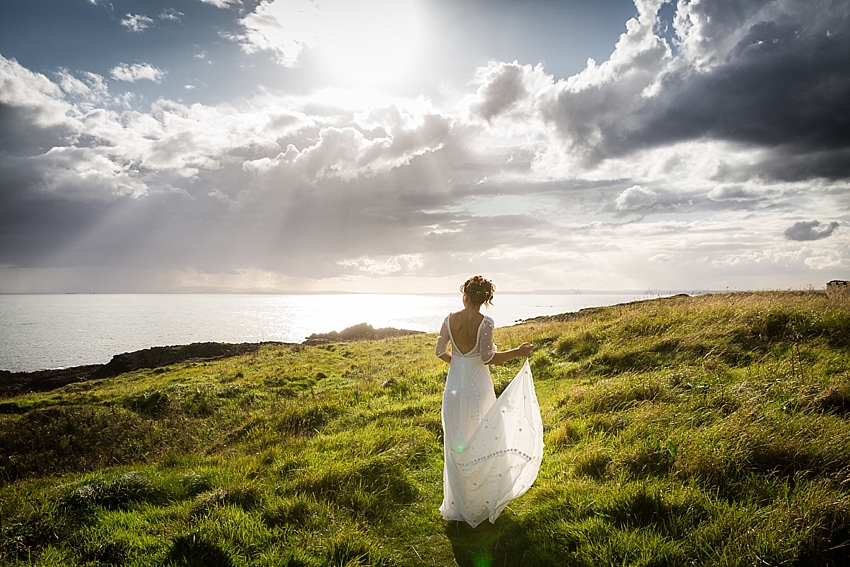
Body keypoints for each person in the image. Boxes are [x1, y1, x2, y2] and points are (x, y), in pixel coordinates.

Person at [435, 275, 544, 527]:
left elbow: (440, 352)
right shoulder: (485, 322)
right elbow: (486, 357)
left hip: (454, 385)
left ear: (465, 295)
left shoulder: (448, 320)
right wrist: (518, 351)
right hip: (477, 387)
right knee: (481, 437)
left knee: (456, 441)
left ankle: (459, 504)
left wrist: (459, 364)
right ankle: (480, 500)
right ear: (485, 300)